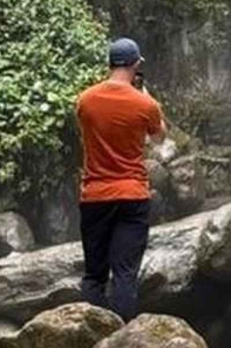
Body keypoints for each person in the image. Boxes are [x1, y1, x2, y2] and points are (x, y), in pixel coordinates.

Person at [75, 37, 165, 319]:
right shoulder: (145, 104)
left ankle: (88, 334)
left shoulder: (85, 100)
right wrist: (146, 98)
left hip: (95, 196)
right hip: (132, 195)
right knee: (125, 274)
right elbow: (159, 137)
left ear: (110, 64)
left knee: (94, 275)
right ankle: (122, 335)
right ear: (136, 65)